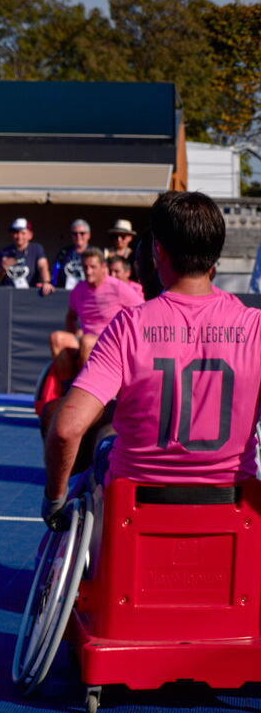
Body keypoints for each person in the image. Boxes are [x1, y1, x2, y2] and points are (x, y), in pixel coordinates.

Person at [43, 192, 261, 530]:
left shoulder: (129, 326)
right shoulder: (255, 328)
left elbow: (66, 429)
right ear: (215, 255)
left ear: (158, 252)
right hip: (231, 512)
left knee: (100, 450)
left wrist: (54, 501)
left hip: (135, 514)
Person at [47, 247, 144, 386]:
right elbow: (71, 317)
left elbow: (142, 310)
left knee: (86, 342)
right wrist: (74, 333)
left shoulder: (117, 287)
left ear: (103, 267)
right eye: (85, 267)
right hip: (86, 340)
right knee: (56, 338)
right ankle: (67, 387)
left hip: (111, 344)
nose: (88, 271)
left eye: (93, 267)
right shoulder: (78, 289)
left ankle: (85, 390)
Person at [0, 217, 53, 294]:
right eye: (16, 233)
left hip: (28, 295)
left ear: (30, 235)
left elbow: (43, 267)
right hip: (7, 295)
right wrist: (2, 269)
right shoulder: (5, 251)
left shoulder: (36, 249)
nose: (19, 236)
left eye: (23, 233)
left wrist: (46, 282)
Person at [54, 219, 92, 290]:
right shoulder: (63, 252)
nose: (78, 236)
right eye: (75, 234)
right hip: (65, 293)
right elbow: (55, 274)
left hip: (88, 293)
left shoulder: (94, 253)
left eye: (82, 233)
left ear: (88, 235)